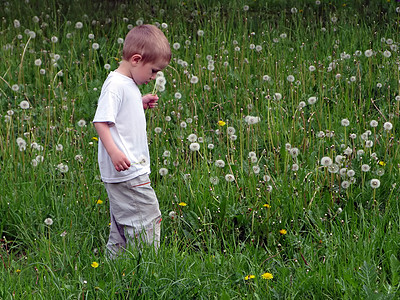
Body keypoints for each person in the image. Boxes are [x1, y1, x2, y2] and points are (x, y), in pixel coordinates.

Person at [93, 24, 171, 258]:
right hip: (128, 170)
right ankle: (145, 265)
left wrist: (140, 102)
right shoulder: (116, 85)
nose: (154, 77)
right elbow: (100, 122)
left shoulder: (127, 84)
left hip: (128, 170)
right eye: (153, 70)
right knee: (147, 216)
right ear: (136, 59)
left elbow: (120, 115)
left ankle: (117, 266)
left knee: (122, 223)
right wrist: (114, 153)